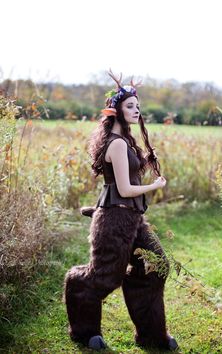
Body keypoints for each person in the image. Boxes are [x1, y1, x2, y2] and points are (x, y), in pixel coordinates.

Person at [64, 70, 179, 351]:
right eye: (130, 106)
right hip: (114, 220)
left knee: (155, 267)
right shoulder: (115, 144)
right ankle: (83, 324)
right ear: (115, 110)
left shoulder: (126, 142)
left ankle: (151, 335)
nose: (136, 110)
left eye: (137, 106)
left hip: (133, 220)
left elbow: (128, 174)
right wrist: (154, 185)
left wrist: (145, 160)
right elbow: (126, 190)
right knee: (104, 278)